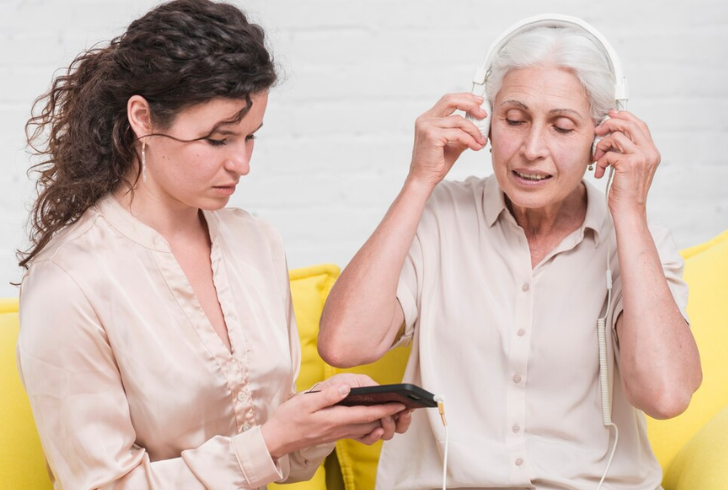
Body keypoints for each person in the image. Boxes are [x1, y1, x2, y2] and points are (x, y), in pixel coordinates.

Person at [16, 1, 411, 488]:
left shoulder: (255, 242)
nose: (242, 163)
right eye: (219, 139)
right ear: (141, 117)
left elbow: (276, 455)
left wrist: (322, 415)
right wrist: (269, 442)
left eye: (250, 138)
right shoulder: (70, 281)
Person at [318, 16, 702, 490]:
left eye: (562, 127)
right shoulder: (440, 216)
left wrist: (630, 210)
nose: (531, 149)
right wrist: (420, 180)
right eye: (515, 120)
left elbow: (665, 395)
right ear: (489, 119)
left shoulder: (638, 240)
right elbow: (344, 346)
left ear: (599, 139)